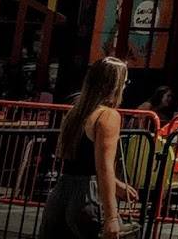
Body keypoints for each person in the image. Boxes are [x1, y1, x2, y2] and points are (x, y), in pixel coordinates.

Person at [40, 56, 138, 239]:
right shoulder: (108, 116)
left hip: (61, 193)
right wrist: (111, 217)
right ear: (115, 85)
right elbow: (104, 167)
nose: (125, 87)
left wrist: (116, 184)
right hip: (88, 195)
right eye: (125, 82)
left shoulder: (75, 112)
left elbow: (74, 158)